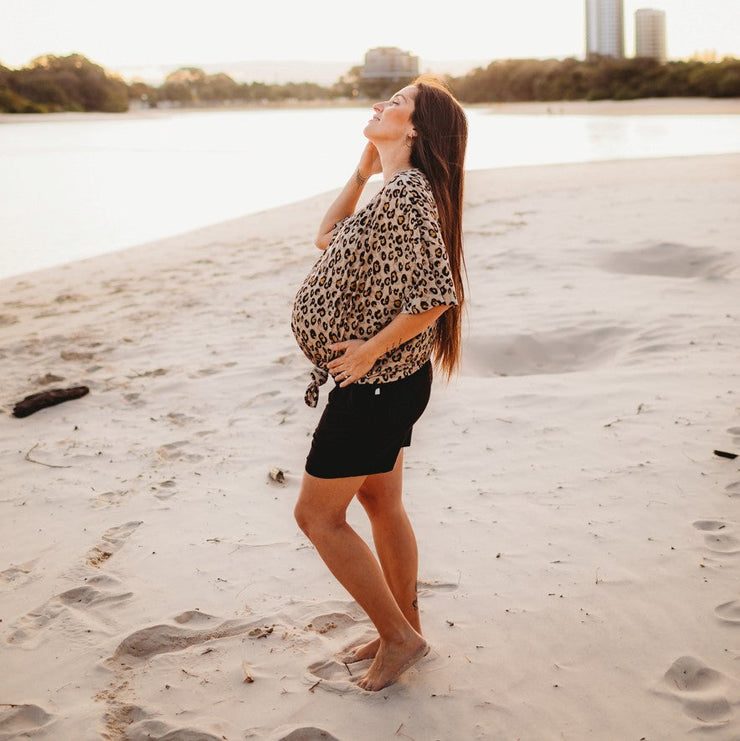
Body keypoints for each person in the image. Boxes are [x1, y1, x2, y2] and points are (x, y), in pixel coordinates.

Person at [291, 75, 467, 692]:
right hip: (387, 383)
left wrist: (367, 351)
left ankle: (399, 639)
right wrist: (361, 172)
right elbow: (325, 238)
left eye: (395, 103)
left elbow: (437, 296)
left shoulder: (411, 192)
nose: (379, 105)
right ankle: (402, 624)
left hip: (376, 385)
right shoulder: (393, 190)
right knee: (380, 503)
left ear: (416, 129)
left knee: (317, 517)